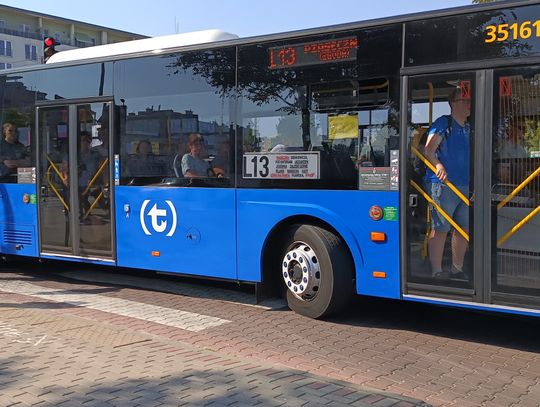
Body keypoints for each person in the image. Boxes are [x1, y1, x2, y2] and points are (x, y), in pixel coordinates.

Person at [423, 87, 471, 280]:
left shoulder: (469, 128)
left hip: (464, 184)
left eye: (469, 101)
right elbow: (428, 150)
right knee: (441, 227)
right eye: (464, 100)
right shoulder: (443, 122)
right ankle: (436, 270)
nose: (469, 104)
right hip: (442, 184)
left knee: (463, 228)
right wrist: (439, 165)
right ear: (453, 104)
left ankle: (457, 268)